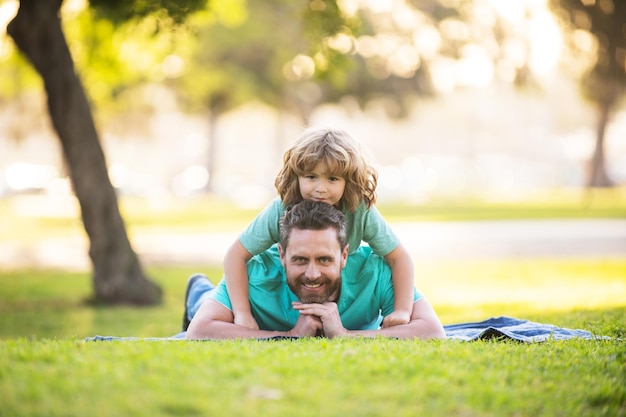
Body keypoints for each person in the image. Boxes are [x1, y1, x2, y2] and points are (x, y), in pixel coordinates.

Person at [223, 127, 417, 331]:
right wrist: (242, 314)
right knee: (208, 305)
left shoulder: (359, 210)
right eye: (310, 176)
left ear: (347, 181)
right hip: (288, 285)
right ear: (296, 176)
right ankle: (200, 292)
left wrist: (402, 310)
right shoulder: (280, 209)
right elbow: (235, 255)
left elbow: (399, 257)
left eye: (332, 179)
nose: (320, 188)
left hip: (335, 285)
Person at [185, 199, 445, 340]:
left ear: (344, 255)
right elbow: (199, 330)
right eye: (299, 260)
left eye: (324, 260)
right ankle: (199, 289)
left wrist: (345, 335)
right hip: (216, 303)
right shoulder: (254, 272)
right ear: (282, 255)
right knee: (203, 303)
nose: (312, 274)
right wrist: (289, 336)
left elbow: (432, 330)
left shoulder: (374, 270)